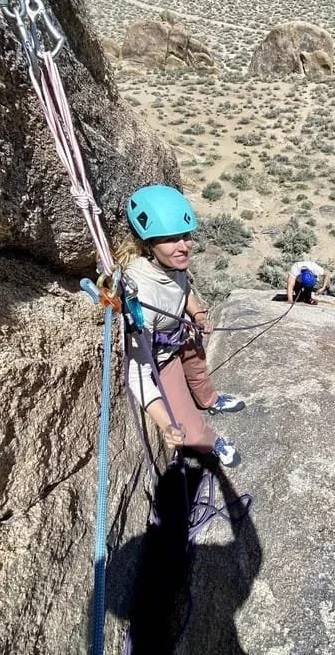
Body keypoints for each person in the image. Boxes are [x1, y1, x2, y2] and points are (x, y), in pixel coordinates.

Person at [115, 184, 246, 468]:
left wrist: (198, 315)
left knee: (198, 365)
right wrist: (165, 425)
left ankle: (210, 399)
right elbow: (137, 373)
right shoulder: (141, 291)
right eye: (171, 239)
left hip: (181, 334)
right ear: (148, 244)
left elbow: (183, 290)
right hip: (161, 356)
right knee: (186, 421)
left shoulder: (171, 264)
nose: (183, 246)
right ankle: (210, 441)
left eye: (186, 236)